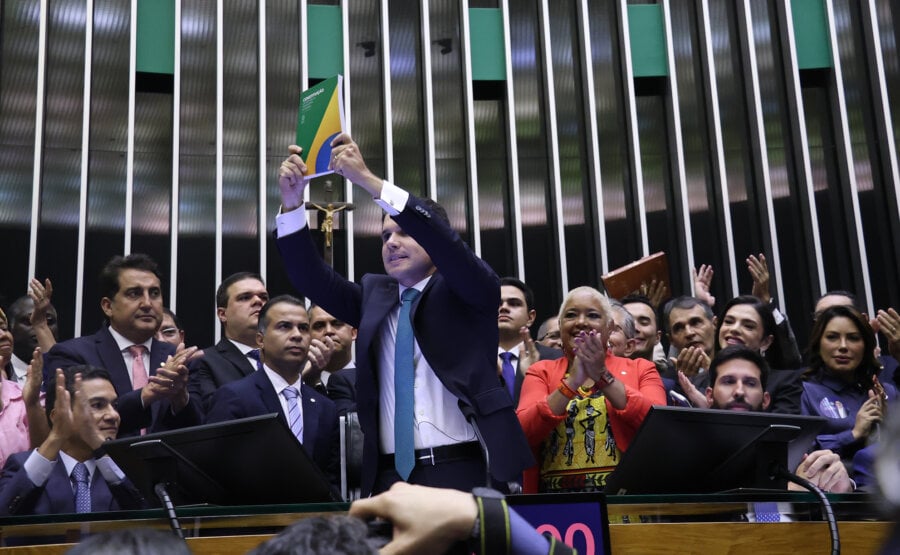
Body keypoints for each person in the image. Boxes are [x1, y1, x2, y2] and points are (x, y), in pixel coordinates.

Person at [276, 134, 532, 496]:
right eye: (384, 236)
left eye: (404, 232)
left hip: (466, 466)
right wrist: (291, 205)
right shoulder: (373, 296)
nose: (392, 242)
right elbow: (310, 278)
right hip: (389, 477)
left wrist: (368, 180)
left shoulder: (469, 288)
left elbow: (447, 244)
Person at [516, 286, 666, 493]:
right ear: (560, 326)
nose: (581, 322)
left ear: (610, 327)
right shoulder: (540, 371)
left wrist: (602, 375)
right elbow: (523, 432)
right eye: (571, 315)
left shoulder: (641, 368)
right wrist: (571, 383)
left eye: (593, 315)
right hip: (556, 509)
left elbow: (657, 426)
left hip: (626, 502)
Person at [43, 254, 200, 436]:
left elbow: (198, 429)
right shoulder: (72, 354)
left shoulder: (180, 361)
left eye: (154, 293)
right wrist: (146, 395)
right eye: (135, 293)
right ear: (108, 306)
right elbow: (71, 422)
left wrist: (180, 398)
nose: (147, 303)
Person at [205, 296, 339, 486]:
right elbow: (216, 470)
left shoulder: (325, 407)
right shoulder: (234, 397)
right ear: (260, 339)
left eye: (303, 328)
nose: (297, 335)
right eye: (284, 326)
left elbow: (329, 479)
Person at [703, 346, 852, 493]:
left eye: (750, 383)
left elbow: (835, 505)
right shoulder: (689, 450)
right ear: (709, 395)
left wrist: (844, 488)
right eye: (729, 381)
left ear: (766, 399)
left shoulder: (795, 450)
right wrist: (787, 495)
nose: (739, 392)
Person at [0, 366, 147, 515]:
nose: (113, 415)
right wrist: (56, 437)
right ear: (57, 415)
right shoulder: (23, 465)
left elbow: (149, 514)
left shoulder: (128, 467)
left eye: (114, 406)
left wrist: (99, 447)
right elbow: (4, 514)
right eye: (97, 405)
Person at [801, 305, 897, 462]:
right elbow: (798, 452)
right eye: (832, 337)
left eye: (853, 338)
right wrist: (853, 434)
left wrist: (888, 423)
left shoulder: (886, 392)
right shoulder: (804, 391)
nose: (843, 346)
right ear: (818, 343)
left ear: (866, 346)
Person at [677, 295, 804, 414]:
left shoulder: (786, 382)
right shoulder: (695, 381)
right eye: (728, 322)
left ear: (766, 341)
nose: (734, 329)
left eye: (748, 326)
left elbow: (781, 432)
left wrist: (709, 411)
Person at [188, 272, 269, 410]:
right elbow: (215, 411)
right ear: (223, 314)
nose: (258, 301)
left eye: (263, 297)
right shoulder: (203, 361)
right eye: (245, 297)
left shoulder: (288, 359)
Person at [497, 277, 561, 402]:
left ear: (530, 317)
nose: (503, 308)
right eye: (497, 303)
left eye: (514, 303)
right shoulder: (474, 362)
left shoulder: (555, 360)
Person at [7, 278, 59, 387]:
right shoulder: (3, 371)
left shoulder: (69, 371)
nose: (38, 327)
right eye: (29, 321)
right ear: (10, 328)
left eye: (48, 321)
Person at [311, 304, 358, 416]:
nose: (328, 331)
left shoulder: (373, 378)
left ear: (353, 333)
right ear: (307, 335)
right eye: (319, 326)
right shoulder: (300, 382)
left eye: (337, 323)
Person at [620, 294, 666, 370]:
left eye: (644, 322)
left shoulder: (674, 381)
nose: (635, 328)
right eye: (627, 322)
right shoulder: (599, 379)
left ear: (657, 337)